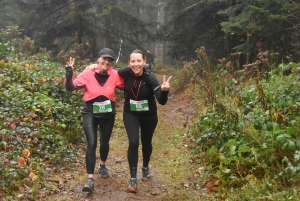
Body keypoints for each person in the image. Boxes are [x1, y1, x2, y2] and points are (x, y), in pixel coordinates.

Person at [65, 48, 124, 193]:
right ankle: (90, 179)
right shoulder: (88, 72)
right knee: (91, 143)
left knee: (104, 143)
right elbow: (70, 87)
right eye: (104, 59)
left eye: (110, 60)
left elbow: (127, 84)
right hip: (90, 112)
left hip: (108, 114)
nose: (107, 62)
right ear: (98, 59)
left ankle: (102, 165)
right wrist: (69, 72)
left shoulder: (115, 74)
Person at [117, 49, 172, 193]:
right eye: (133, 61)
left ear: (144, 62)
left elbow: (161, 101)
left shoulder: (150, 77)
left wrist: (165, 90)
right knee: (134, 142)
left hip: (149, 115)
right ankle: (133, 180)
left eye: (139, 61)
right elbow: (108, 70)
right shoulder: (125, 73)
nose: (136, 64)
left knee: (146, 143)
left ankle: (145, 168)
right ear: (129, 63)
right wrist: (93, 66)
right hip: (131, 114)